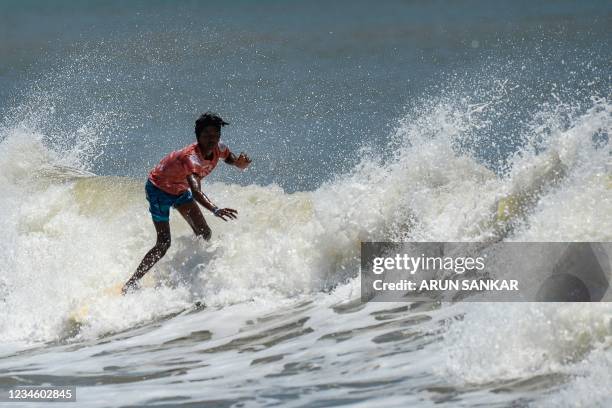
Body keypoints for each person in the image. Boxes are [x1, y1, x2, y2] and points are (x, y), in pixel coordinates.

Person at [122, 112, 251, 294]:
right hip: (158, 189)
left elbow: (228, 157)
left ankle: (188, 271)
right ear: (198, 136)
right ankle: (131, 283)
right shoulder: (190, 158)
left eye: (215, 135)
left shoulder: (219, 148)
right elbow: (196, 191)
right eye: (206, 136)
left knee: (204, 233)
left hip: (179, 190)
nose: (211, 139)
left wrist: (238, 164)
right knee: (164, 243)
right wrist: (215, 209)